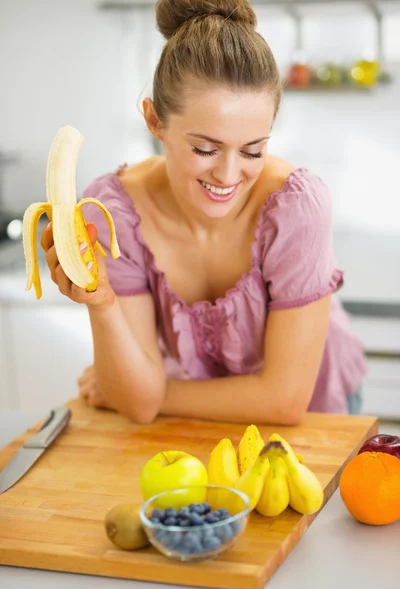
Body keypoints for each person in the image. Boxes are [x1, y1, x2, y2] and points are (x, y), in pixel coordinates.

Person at [42, 0, 367, 425]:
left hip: (317, 412)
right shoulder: (114, 212)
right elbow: (138, 406)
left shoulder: (295, 207)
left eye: (254, 150)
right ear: (154, 119)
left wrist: (157, 391)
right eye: (205, 149)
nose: (229, 175)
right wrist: (101, 304)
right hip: (197, 416)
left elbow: (285, 401)